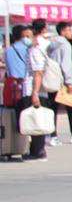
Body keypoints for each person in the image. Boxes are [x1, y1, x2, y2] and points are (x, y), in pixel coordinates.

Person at [6, 23, 47, 160]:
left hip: (30, 89)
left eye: (29, 36)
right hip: (30, 88)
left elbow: (38, 72)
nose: (28, 39)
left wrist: (35, 92)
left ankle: (38, 151)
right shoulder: (31, 49)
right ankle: (35, 150)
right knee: (33, 118)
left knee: (33, 119)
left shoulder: (34, 51)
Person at [45, 25, 72, 144]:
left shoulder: (51, 45)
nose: (71, 32)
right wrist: (69, 82)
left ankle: (52, 135)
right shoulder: (65, 45)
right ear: (62, 31)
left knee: (53, 108)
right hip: (63, 80)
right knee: (70, 108)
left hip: (52, 78)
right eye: (69, 30)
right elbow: (66, 65)